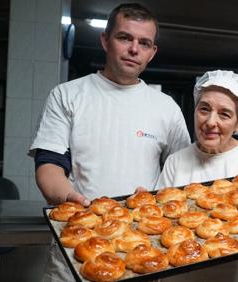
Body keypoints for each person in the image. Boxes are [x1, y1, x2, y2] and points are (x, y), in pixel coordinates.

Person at [29, 3, 190, 281]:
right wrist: (70, 197)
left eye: (144, 43)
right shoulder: (68, 95)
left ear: (152, 52)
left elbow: (183, 174)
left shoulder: (167, 108)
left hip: (143, 250)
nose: (133, 49)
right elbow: (49, 165)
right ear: (105, 40)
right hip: (81, 242)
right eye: (124, 37)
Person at [156, 70, 238, 282]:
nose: (211, 122)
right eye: (204, 109)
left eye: (224, 114)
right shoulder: (176, 161)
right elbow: (158, 225)